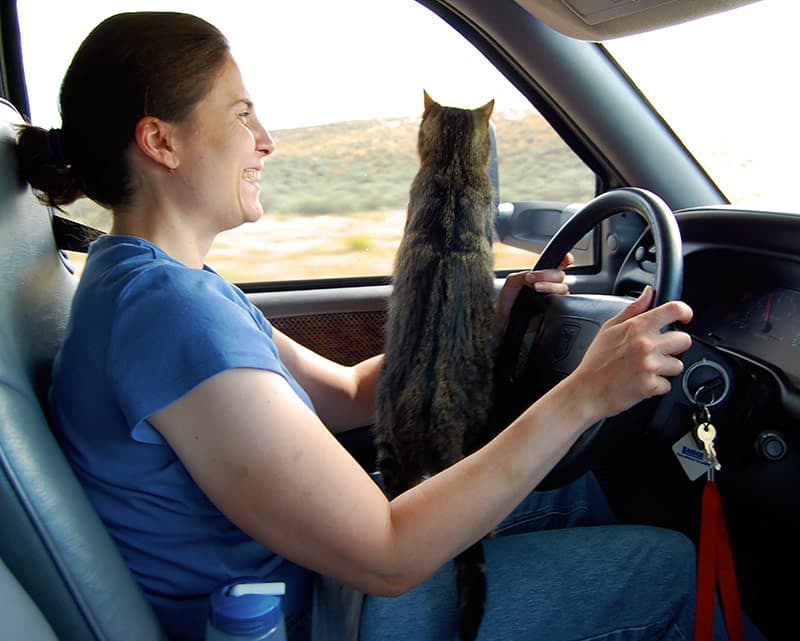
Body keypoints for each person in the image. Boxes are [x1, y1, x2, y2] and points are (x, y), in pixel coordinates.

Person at [15, 11, 764, 641]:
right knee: (665, 568)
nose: (267, 140)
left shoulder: (166, 286)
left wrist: (485, 324)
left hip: (313, 571)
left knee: (573, 490)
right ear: (161, 142)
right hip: (313, 612)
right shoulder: (168, 314)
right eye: (242, 114)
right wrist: (584, 393)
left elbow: (347, 391)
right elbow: (388, 552)